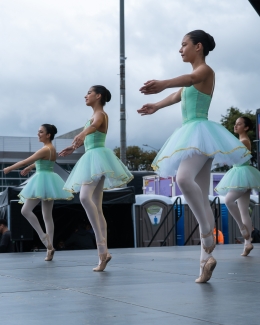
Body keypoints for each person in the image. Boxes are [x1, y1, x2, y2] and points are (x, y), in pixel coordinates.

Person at [138, 30, 251, 283]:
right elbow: (178, 94)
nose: (180, 49)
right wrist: (156, 105)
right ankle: (205, 262)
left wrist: (164, 82)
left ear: (198, 47)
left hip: (199, 133)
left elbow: (189, 79)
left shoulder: (205, 72)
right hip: (193, 136)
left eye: (184, 44)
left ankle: (207, 232)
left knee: (183, 179)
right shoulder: (190, 82)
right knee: (199, 193)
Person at [59, 85, 133, 272]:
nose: (86, 95)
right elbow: (88, 134)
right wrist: (73, 147)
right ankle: (103, 254)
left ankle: (102, 249)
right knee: (96, 206)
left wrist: (83, 133)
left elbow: (93, 127)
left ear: (98, 96)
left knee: (85, 198)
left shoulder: (100, 114)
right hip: (93, 157)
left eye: (89, 93)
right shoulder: (91, 117)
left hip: (97, 158)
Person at [4, 124, 73, 261]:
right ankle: (49, 248)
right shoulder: (51, 149)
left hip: (42, 180)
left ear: (48, 135)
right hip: (49, 180)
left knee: (25, 210)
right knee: (47, 216)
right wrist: (30, 167)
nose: (38, 134)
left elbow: (25, 160)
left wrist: (9, 168)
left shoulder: (45, 149)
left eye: (41, 132)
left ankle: (43, 237)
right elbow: (39, 162)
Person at [215, 117, 260, 256]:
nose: (236, 126)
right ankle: (248, 242)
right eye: (235, 124)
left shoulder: (244, 141)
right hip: (240, 174)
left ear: (246, 128)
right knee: (243, 210)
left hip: (241, 173)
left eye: (239, 124)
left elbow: (237, 158)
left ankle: (242, 227)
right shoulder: (240, 141)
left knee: (228, 201)